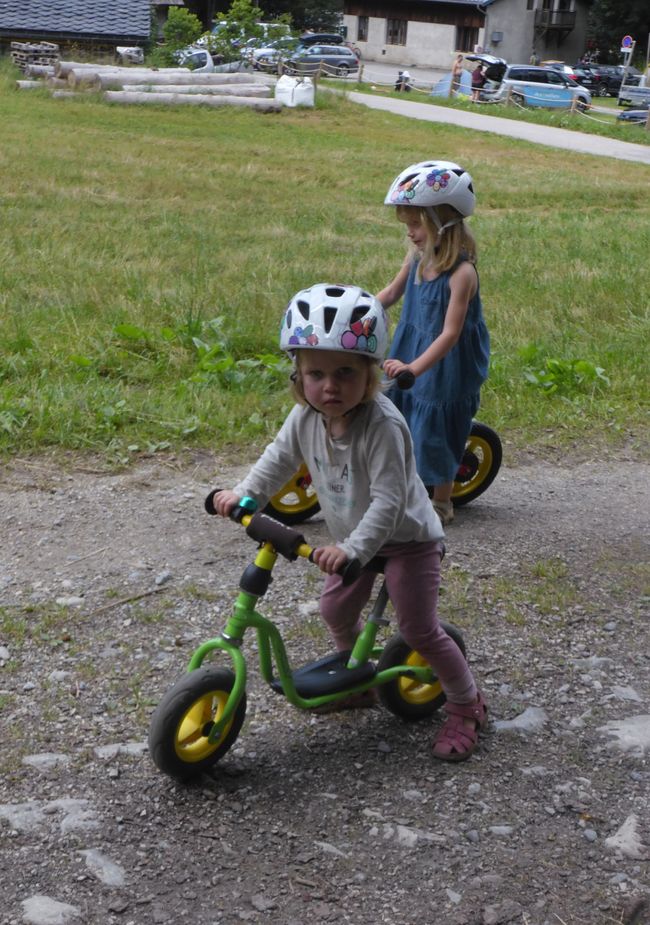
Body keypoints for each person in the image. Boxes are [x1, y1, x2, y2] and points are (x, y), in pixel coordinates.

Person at [212, 283, 488, 762]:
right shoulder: (305, 416)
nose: (330, 387)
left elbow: (388, 501)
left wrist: (353, 551)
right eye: (315, 374)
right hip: (356, 542)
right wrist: (244, 494)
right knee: (335, 611)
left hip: (406, 541)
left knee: (419, 629)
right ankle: (356, 676)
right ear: (298, 375)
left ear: (371, 373)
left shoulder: (382, 426)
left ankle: (466, 705)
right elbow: (279, 459)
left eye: (345, 373)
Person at [378, 161, 490, 527]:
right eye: (407, 225)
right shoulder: (417, 257)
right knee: (402, 415)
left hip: (446, 364)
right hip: (413, 349)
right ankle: (402, 482)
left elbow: (450, 334)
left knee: (438, 429)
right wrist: (357, 309)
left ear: (442, 221)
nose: (409, 233)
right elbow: (392, 294)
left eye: (415, 224)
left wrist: (414, 368)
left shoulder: (462, 273)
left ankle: (442, 502)